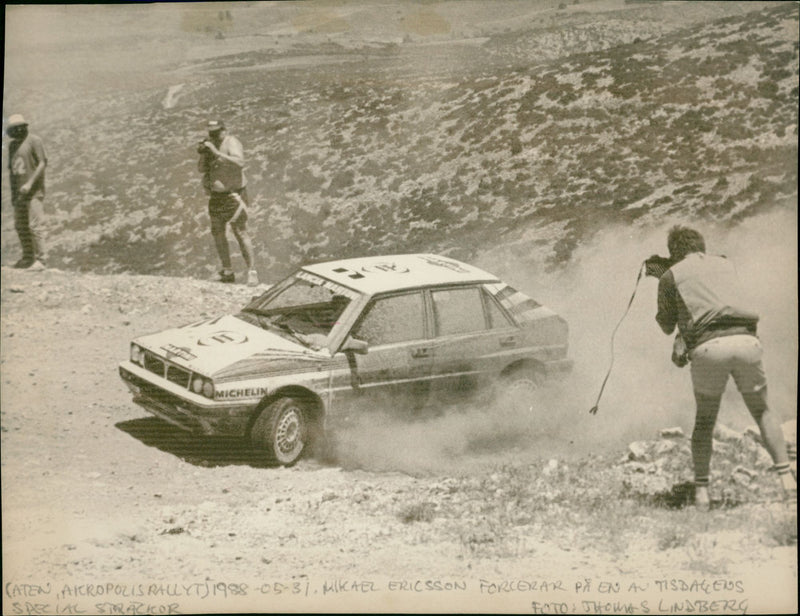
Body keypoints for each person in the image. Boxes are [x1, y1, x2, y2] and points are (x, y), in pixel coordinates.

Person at [655, 225, 796, 510]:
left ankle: (703, 494)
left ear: (674, 253)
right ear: (701, 246)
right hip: (747, 340)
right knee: (763, 410)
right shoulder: (726, 263)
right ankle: (787, 482)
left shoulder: (671, 275)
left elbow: (666, 325)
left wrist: (664, 281)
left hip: (710, 348)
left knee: (705, 420)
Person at [197, 119, 258, 286]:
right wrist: (204, 153)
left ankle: (252, 271)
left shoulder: (231, 142)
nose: (214, 136)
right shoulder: (211, 146)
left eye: (217, 132)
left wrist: (217, 153)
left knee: (240, 231)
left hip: (234, 195)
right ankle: (227, 271)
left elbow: (240, 162)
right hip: (216, 196)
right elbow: (201, 169)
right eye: (211, 133)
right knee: (217, 231)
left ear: (224, 130)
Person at [6, 114, 47, 270]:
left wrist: (30, 183)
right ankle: (28, 258)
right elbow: (12, 171)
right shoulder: (12, 146)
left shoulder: (34, 140)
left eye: (21, 127)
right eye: (15, 128)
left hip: (33, 192)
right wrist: (13, 193)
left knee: (36, 225)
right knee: (21, 225)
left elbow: (42, 163)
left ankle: (41, 260)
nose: (19, 130)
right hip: (19, 193)